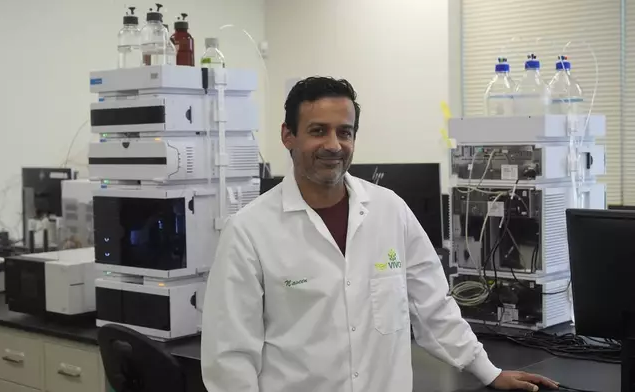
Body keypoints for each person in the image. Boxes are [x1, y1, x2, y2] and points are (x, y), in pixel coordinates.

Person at [201, 76, 559, 392]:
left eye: (345, 132)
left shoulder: (390, 211)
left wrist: (489, 372)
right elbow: (230, 357)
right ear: (287, 135)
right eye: (317, 130)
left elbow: (432, 307)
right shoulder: (249, 230)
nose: (333, 144)